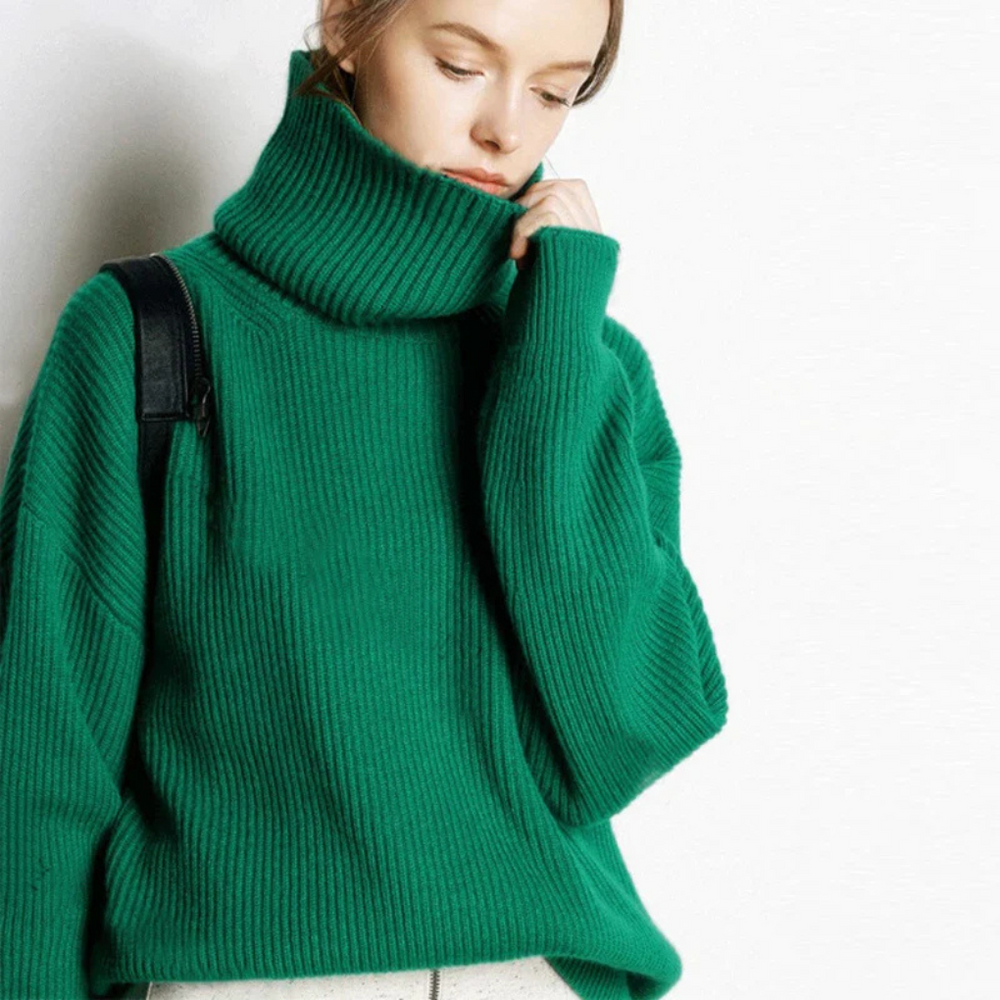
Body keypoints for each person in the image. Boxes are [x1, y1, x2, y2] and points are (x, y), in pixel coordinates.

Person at [0, 0, 731, 997]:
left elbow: (623, 734)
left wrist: (554, 355)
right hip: (245, 974)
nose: (505, 129)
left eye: (555, 90)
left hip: (528, 972)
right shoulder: (152, 336)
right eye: (462, 67)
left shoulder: (581, 365)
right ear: (346, 22)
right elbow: (42, 756)